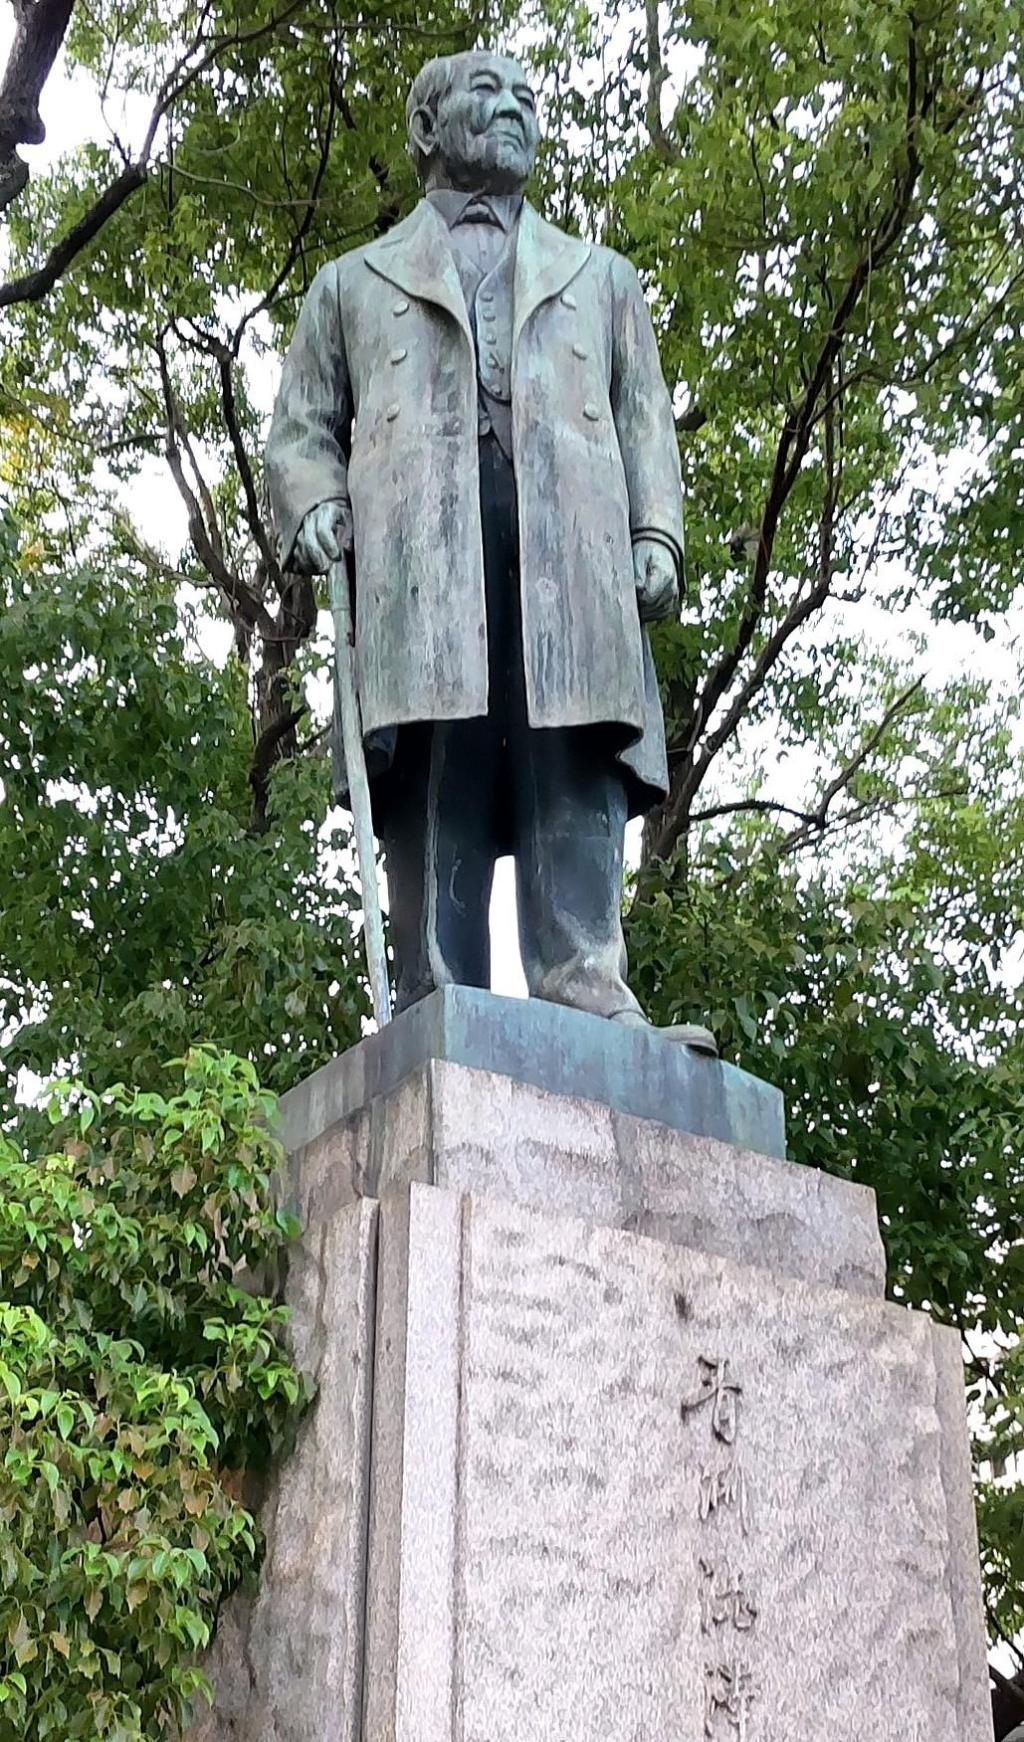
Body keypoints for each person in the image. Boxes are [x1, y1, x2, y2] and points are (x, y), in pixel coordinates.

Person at [266, 48, 714, 1052]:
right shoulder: (349, 284)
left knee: (573, 760)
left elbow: (645, 420)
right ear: (425, 128)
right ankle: (436, 992)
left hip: (573, 549)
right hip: (418, 558)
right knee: (438, 766)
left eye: (526, 98)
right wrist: (314, 504)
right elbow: (300, 430)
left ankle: (587, 985)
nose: (512, 109)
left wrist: (655, 532)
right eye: (486, 93)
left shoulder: (602, 279)